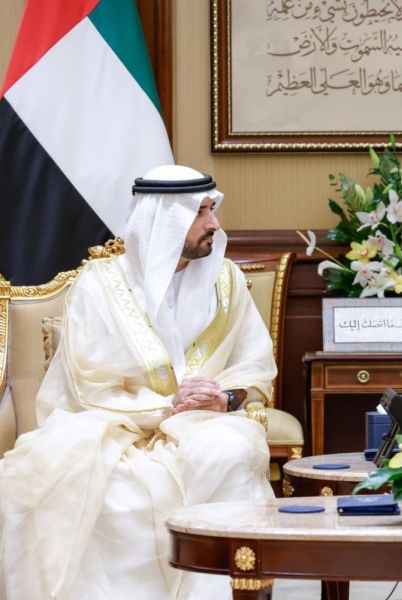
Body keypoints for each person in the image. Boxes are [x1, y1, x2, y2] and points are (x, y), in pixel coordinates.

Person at [0, 165, 277, 599]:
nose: (214, 223)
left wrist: (223, 398)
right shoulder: (99, 286)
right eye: (200, 212)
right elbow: (89, 383)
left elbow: (254, 366)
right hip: (110, 424)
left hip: (203, 424)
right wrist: (166, 404)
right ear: (163, 220)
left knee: (233, 450)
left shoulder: (227, 282)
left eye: (212, 209)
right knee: (87, 484)